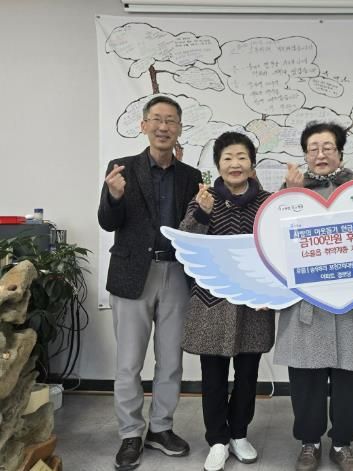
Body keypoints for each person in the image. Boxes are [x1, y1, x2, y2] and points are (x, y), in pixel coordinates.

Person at [98, 95, 202, 471]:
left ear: (179, 128)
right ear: (143, 125)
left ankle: (161, 428)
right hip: (132, 274)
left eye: (171, 120)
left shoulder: (191, 176)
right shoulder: (121, 168)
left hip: (175, 274)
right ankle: (130, 433)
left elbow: (195, 228)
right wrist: (114, 197)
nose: (163, 126)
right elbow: (107, 222)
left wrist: (205, 212)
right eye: (156, 119)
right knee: (128, 363)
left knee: (171, 360)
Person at [273, 122, 353, 471]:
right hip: (306, 301)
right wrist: (289, 195)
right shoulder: (289, 193)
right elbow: (272, 242)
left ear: (340, 152)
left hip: (351, 301)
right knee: (306, 377)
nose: (320, 154)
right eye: (313, 148)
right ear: (305, 154)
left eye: (328, 147)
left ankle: (343, 444)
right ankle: (310, 442)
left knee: (348, 377)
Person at [178, 131, 274, 471]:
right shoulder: (204, 198)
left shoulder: (268, 203)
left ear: (252, 164)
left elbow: (279, 250)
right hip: (211, 302)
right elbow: (185, 243)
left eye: (242, 157)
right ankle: (217, 440)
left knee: (248, 375)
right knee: (213, 376)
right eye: (228, 158)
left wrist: (270, 290)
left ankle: (239, 434)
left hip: (254, 303)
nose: (235, 164)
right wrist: (202, 214)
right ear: (218, 164)